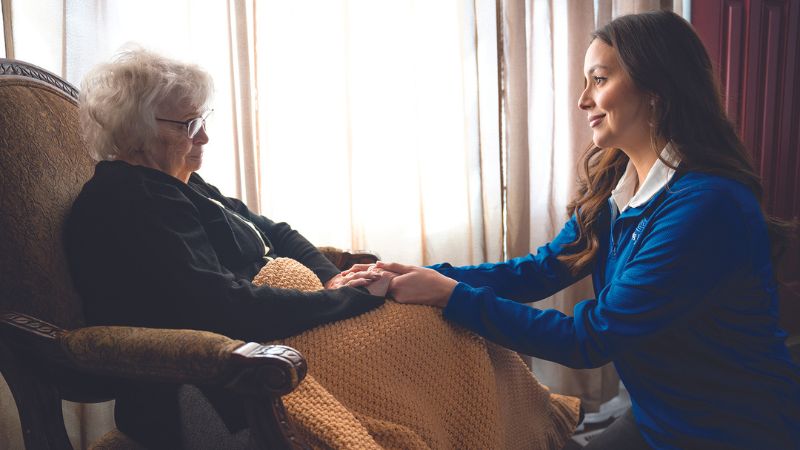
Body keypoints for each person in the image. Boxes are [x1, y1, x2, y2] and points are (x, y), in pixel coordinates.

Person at [361, 11, 800, 449]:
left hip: (735, 430)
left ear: (656, 88)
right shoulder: (618, 186)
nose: (583, 100)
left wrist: (451, 296)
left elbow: (590, 338)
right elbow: (543, 269)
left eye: (599, 79)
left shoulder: (706, 206)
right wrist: (425, 276)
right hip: (659, 417)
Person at [65, 48, 391, 449]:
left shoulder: (184, 184)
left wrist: (333, 280)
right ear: (136, 131)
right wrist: (347, 301)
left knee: (414, 320)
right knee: (406, 336)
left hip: (270, 342)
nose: (204, 136)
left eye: (201, 120)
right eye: (189, 125)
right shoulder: (133, 201)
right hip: (212, 382)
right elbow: (223, 306)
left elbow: (279, 233)